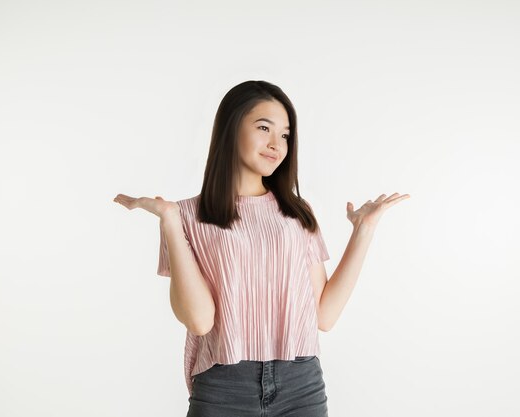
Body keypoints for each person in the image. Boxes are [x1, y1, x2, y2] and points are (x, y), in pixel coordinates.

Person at [113, 80, 410, 416]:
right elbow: (199, 321)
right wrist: (168, 220)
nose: (276, 144)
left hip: (301, 384)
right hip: (224, 386)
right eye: (264, 127)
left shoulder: (297, 213)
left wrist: (364, 230)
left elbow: (324, 316)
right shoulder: (185, 216)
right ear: (230, 127)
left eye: (285, 134)